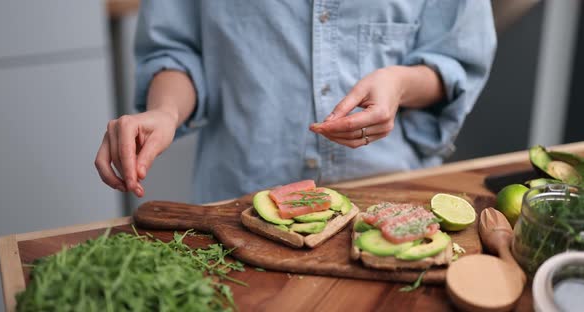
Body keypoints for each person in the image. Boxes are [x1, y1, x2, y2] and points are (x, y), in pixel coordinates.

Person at [95, 1, 496, 203]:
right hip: (241, 197)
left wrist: (399, 84)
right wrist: (165, 112)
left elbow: (455, 59)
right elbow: (176, 51)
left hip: (389, 195)